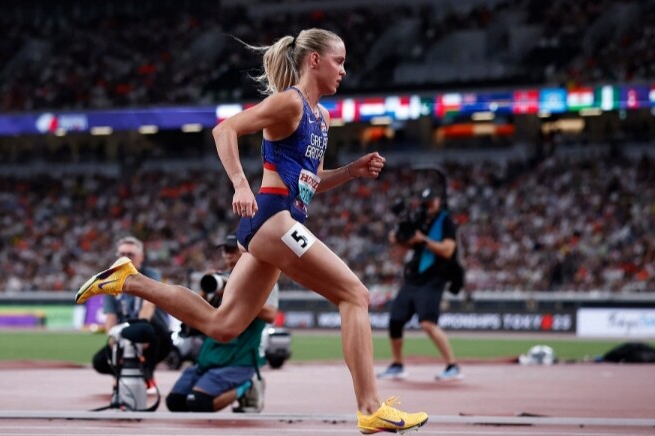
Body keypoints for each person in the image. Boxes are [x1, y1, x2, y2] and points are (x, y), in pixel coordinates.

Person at [76, 28, 428, 433]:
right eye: (339, 61)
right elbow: (224, 129)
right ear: (314, 60)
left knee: (222, 325)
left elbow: (310, 182)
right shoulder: (289, 103)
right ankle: (370, 407)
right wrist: (241, 185)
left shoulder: (321, 117)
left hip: (277, 225)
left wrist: (351, 171)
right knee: (355, 295)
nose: (344, 71)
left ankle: (130, 280)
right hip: (273, 219)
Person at [166, 233, 278, 413]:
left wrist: (236, 295)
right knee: (175, 402)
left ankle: (247, 385)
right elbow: (195, 314)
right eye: (225, 250)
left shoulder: (263, 278)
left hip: (240, 355)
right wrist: (205, 290)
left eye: (232, 250)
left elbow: (270, 315)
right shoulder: (218, 279)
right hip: (211, 354)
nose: (227, 255)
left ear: (246, 252)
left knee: (198, 403)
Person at [378, 188, 462, 381]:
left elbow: (448, 250)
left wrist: (422, 240)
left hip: (434, 278)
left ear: (439, 201)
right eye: (426, 203)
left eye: (431, 202)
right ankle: (397, 364)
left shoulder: (445, 221)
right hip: (413, 277)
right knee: (395, 320)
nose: (428, 206)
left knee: (427, 323)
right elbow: (410, 243)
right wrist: (400, 239)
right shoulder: (421, 219)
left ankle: (453, 366)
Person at [91, 236, 172, 393]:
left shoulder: (151, 275)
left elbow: (148, 307)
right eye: (122, 254)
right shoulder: (110, 280)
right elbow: (110, 317)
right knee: (100, 361)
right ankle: (121, 374)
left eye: (130, 254)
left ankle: (148, 375)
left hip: (153, 333)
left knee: (152, 331)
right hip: (125, 331)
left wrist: (139, 334)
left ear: (141, 257)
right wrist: (115, 343)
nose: (126, 258)